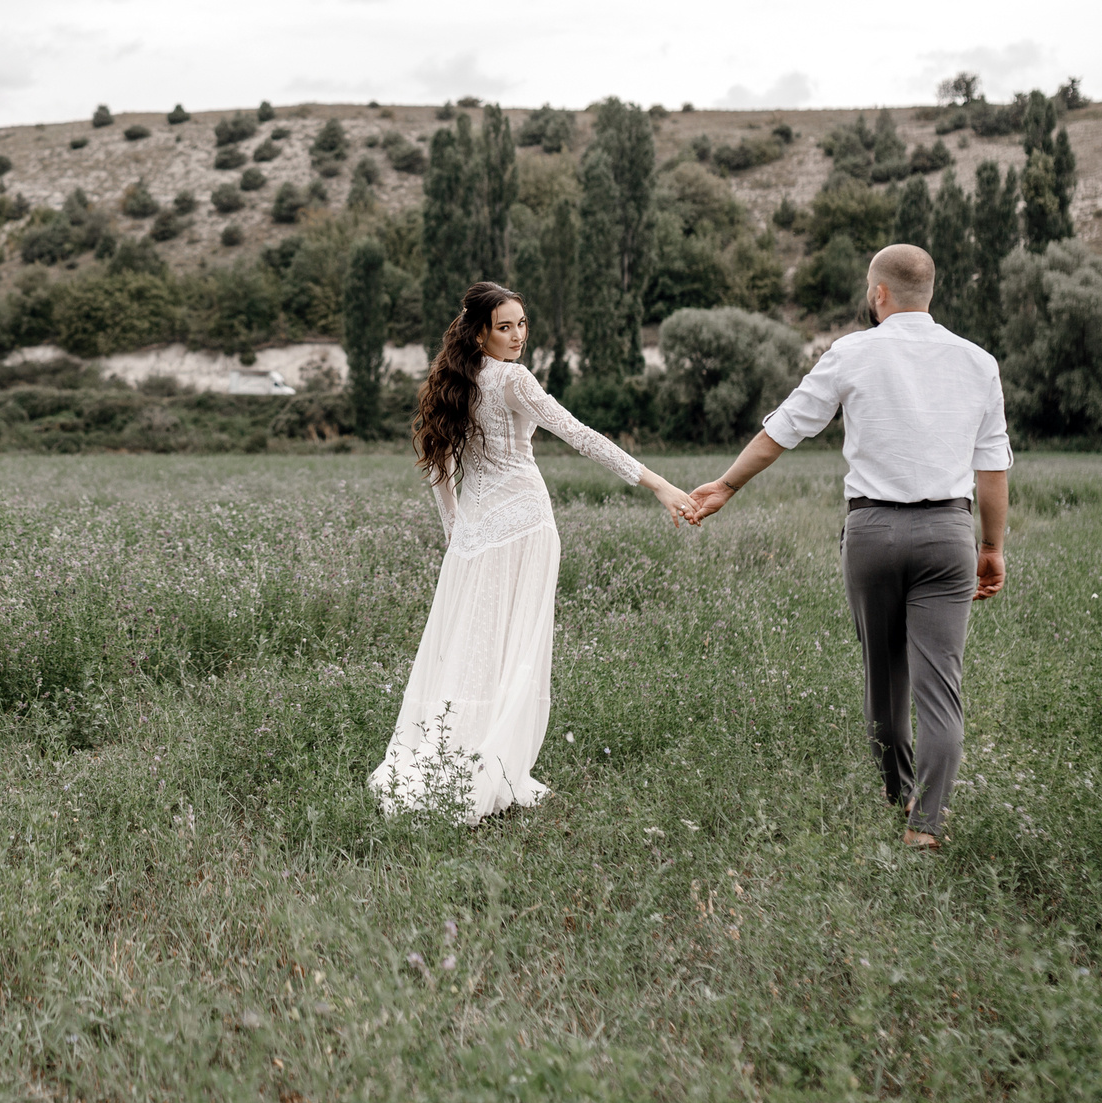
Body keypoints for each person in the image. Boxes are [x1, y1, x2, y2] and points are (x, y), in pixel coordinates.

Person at [683, 243, 1009, 850]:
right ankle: (925, 826)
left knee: (885, 682)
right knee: (941, 690)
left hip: (872, 534)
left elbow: (784, 427)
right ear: (928, 293)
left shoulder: (852, 352)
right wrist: (991, 546)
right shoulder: (978, 362)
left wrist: (727, 485)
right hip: (948, 535)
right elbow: (992, 469)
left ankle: (897, 794)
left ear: (878, 293)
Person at [371, 281, 697, 822]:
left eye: (522, 324)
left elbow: (438, 467)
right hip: (522, 527)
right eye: (505, 326)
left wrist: (455, 529)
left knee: (475, 649)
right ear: (480, 332)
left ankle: (464, 761)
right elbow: (579, 435)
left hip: (480, 536)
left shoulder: (455, 380)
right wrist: (660, 485)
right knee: (511, 651)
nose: (518, 336)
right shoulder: (510, 378)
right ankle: (489, 769)